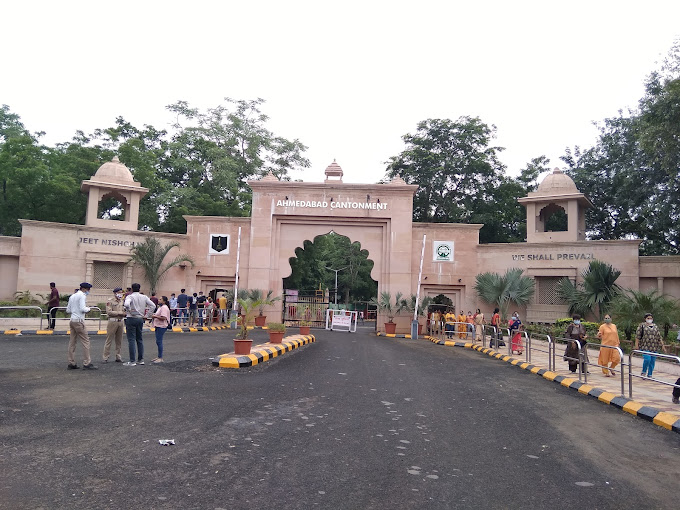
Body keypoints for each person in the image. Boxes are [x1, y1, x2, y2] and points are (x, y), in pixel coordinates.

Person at [123, 283, 156, 366]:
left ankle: (132, 361)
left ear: (131, 289)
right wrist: (147, 315)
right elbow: (153, 306)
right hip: (140, 318)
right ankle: (140, 359)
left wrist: (129, 310)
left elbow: (126, 304)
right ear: (139, 289)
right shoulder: (144, 297)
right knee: (139, 339)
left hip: (131, 318)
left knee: (131, 340)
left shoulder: (130, 297)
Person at [65, 282, 96, 370]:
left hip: (72, 320)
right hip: (79, 321)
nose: (88, 292)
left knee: (72, 342)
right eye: (88, 290)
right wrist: (89, 309)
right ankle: (87, 362)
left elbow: (68, 310)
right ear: (85, 289)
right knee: (86, 341)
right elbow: (83, 308)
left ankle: (71, 362)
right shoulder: (82, 296)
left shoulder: (73, 296)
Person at [635, 313, 665, 379]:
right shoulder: (641, 326)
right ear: (645, 319)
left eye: (651, 318)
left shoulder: (655, 326)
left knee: (652, 361)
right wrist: (636, 345)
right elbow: (637, 336)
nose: (649, 319)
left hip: (654, 346)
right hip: (645, 346)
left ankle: (650, 374)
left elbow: (659, 337)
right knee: (647, 359)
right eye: (648, 318)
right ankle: (643, 372)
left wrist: (662, 345)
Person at [103, 287, 125, 363]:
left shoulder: (122, 301)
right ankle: (105, 357)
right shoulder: (110, 301)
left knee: (119, 340)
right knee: (109, 339)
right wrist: (120, 313)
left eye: (121, 292)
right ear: (115, 293)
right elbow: (109, 312)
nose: (120, 294)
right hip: (113, 321)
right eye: (119, 292)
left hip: (121, 322)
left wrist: (124, 313)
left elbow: (124, 310)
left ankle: (118, 356)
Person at [151, 295, 171, 363]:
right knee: (158, 341)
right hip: (158, 325)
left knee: (159, 341)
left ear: (164, 301)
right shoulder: (161, 307)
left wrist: (154, 316)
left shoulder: (164, 308)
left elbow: (164, 317)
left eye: (160, 299)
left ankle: (160, 357)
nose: (159, 300)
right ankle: (159, 356)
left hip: (161, 326)